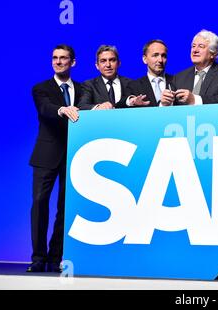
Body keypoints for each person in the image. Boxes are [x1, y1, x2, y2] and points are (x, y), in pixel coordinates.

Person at [27, 44, 82, 273]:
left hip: (72, 156)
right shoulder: (41, 88)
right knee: (40, 205)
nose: (58, 62)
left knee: (65, 208)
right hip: (46, 156)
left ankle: (55, 255)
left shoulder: (82, 88)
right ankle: (38, 257)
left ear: (73, 62)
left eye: (63, 58)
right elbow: (45, 109)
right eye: (55, 58)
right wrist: (62, 109)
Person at [161, 30, 218, 105]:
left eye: (201, 46)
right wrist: (165, 103)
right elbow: (172, 106)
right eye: (193, 46)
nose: (195, 50)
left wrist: (195, 100)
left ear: (213, 53)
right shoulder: (179, 77)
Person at [78, 45, 132, 110]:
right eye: (103, 61)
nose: (108, 65)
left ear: (119, 63)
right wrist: (98, 107)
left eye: (112, 60)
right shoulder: (89, 85)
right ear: (97, 66)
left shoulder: (130, 83)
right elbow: (82, 106)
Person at [126, 39, 174, 107]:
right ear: (145, 59)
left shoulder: (176, 81)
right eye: (155, 55)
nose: (160, 60)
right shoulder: (134, 86)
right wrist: (132, 101)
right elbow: (120, 105)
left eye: (163, 56)